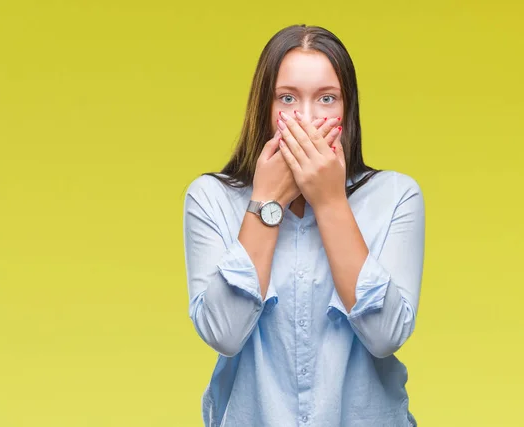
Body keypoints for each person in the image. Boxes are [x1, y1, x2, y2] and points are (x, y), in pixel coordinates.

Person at [182, 24, 425, 427]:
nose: (307, 120)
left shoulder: (396, 196)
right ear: (264, 107)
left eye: (327, 99)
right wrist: (268, 201)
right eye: (288, 98)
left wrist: (329, 200)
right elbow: (224, 333)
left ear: (348, 111)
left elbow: (386, 337)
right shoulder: (211, 198)